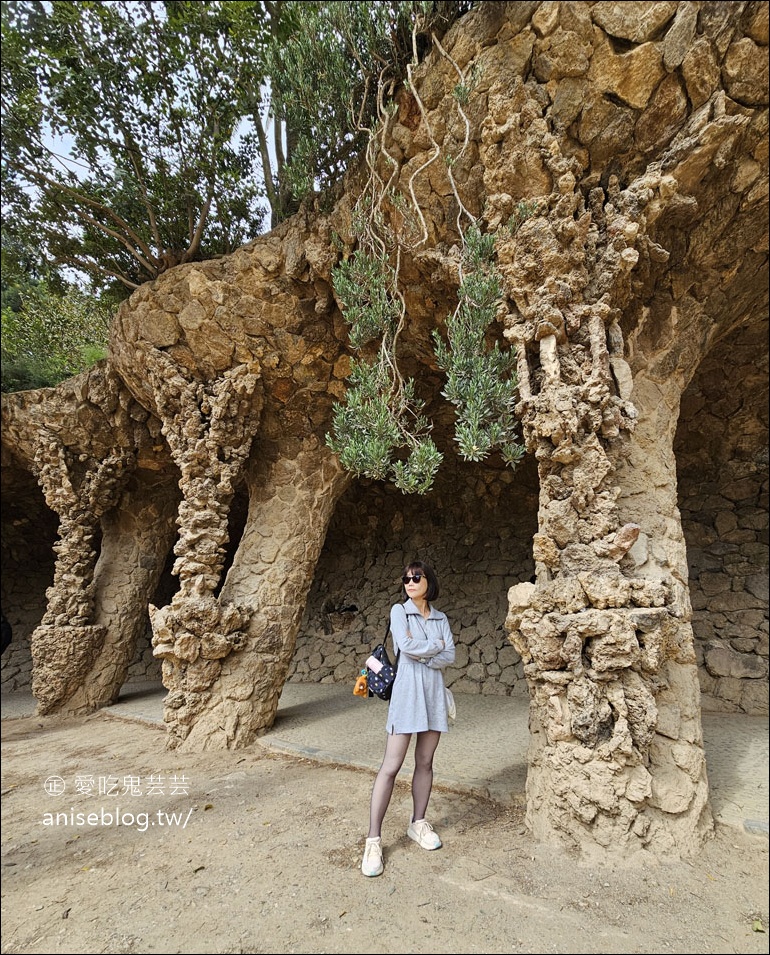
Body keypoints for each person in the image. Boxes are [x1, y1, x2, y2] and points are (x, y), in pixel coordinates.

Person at [361, 560, 456, 877]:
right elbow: (405, 645)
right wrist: (434, 648)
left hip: (433, 697)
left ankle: (418, 822)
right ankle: (373, 839)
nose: (410, 581)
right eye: (406, 578)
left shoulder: (440, 618)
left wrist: (426, 651)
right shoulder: (399, 612)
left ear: (430, 580)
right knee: (391, 766)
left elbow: (451, 655)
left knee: (426, 763)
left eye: (417, 577)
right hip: (406, 696)